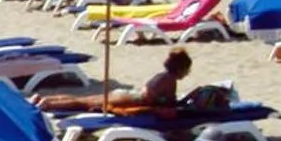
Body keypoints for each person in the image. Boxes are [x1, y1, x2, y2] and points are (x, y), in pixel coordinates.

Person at [35, 50, 192, 116]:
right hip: (130, 99)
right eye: (187, 70)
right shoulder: (170, 80)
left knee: (85, 100)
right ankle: (47, 104)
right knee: (83, 103)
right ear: (180, 69)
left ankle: (47, 99)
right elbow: (163, 102)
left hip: (127, 94)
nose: (188, 73)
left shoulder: (161, 76)